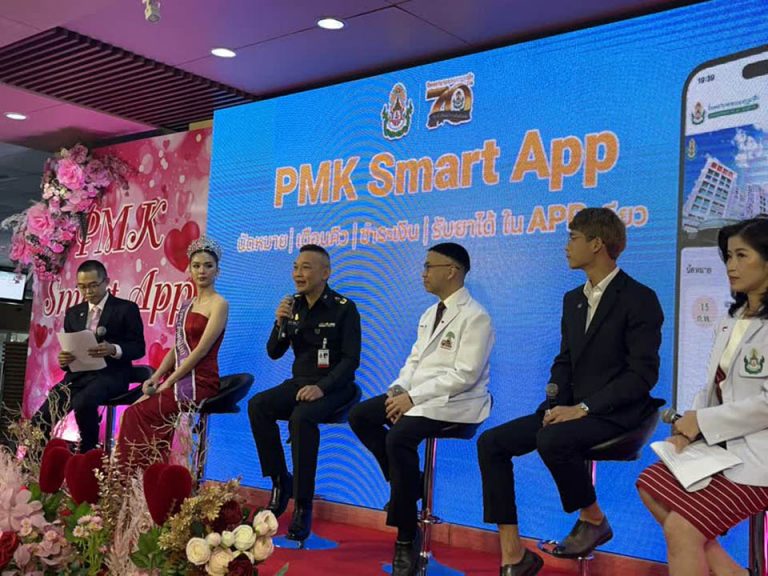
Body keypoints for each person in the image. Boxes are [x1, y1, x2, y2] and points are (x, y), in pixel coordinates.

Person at [477, 207, 663, 576]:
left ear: (597, 244)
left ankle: (593, 518)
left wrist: (584, 408)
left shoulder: (639, 297)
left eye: (573, 238)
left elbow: (642, 375)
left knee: (552, 439)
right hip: (574, 410)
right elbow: (565, 361)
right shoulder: (572, 299)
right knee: (492, 443)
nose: (566, 246)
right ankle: (513, 555)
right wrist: (554, 404)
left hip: (619, 413)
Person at [349, 242, 494, 576]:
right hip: (419, 397)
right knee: (361, 416)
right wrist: (399, 389)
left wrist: (413, 399)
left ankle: (405, 537)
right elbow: (414, 361)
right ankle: (408, 484)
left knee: (398, 437)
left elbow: (465, 375)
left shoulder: (476, 317)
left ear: (452, 271)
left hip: (455, 403)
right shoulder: (430, 314)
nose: (423, 273)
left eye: (429, 266)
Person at [637, 217, 768, 576]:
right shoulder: (734, 317)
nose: (731, 266)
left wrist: (703, 423)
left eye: (742, 255)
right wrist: (688, 427)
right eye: (728, 256)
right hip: (721, 447)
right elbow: (713, 388)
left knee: (682, 529)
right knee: (651, 485)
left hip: (760, 457)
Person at [247, 244, 361, 541]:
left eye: (306, 267)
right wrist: (279, 323)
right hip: (301, 382)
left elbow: (351, 360)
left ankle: (303, 504)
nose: (298, 273)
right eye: (296, 267)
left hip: (337, 386)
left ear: (325, 273)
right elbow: (274, 352)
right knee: (258, 405)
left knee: (302, 417)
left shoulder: (344, 308)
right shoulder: (293, 305)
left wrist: (321, 388)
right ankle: (280, 481)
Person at [116, 236, 228, 470]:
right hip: (178, 378)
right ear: (189, 270)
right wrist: (156, 377)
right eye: (196, 266)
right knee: (132, 412)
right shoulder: (186, 304)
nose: (202, 271)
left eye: (208, 266)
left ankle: (148, 475)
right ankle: (137, 478)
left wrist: (169, 382)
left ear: (217, 270)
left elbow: (201, 350)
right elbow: (177, 349)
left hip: (200, 380)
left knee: (140, 414)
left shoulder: (219, 304)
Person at [33, 260, 145, 453]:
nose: (88, 291)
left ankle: (88, 451)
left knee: (83, 402)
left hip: (111, 375)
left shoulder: (126, 309)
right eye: (82, 287)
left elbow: (138, 348)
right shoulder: (73, 313)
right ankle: (35, 461)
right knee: (43, 414)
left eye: (93, 285)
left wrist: (113, 349)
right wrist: (65, 360)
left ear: (106, 282)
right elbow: (71, 348)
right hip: (78, 376)